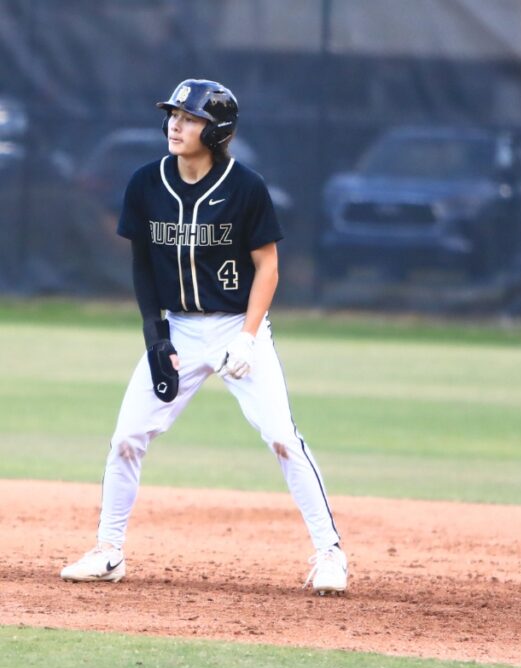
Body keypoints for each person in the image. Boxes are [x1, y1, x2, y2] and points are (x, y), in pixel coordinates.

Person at [60, 79, 348, 595]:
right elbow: (144, 267)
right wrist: (156, 336)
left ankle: (330, 555)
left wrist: (248, 336)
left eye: (190, 118)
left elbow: (269, 267)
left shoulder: (246, 188)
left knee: (281, 435)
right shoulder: (147, 183)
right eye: (173, 114)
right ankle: (108, 551)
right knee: (127, 436)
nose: (175, 124)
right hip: (179, 327)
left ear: (215, 131)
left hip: (238, 327)